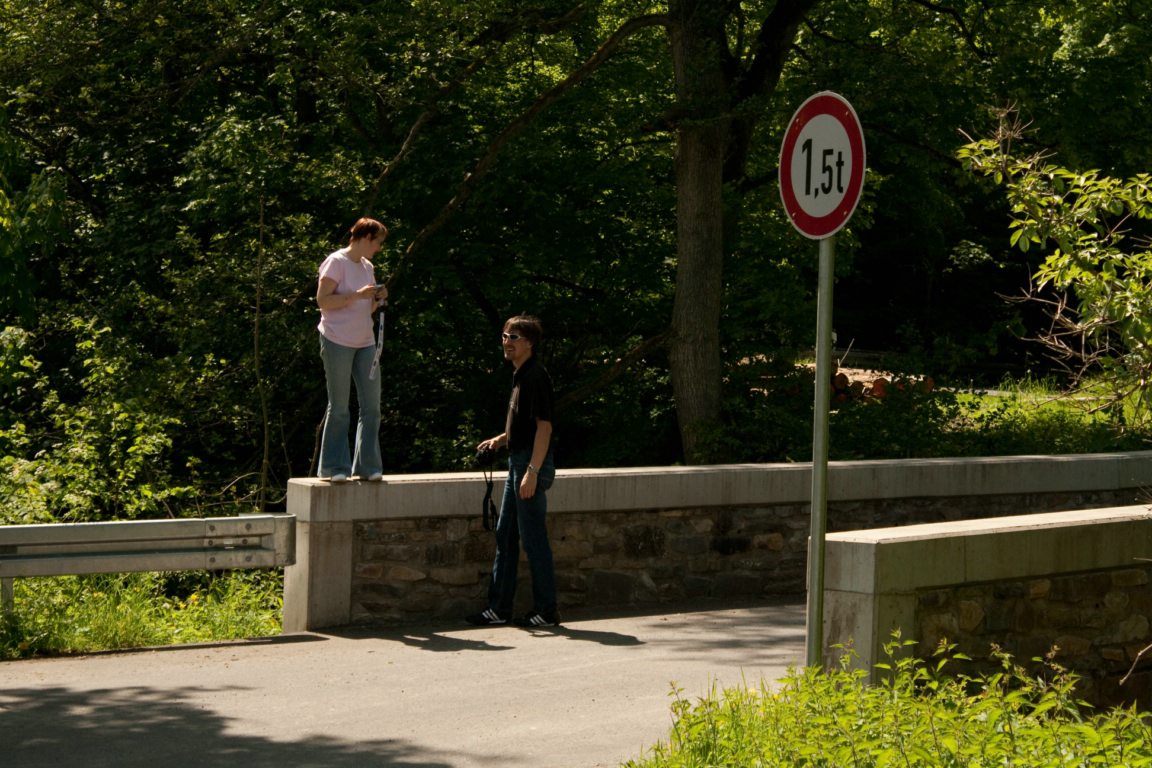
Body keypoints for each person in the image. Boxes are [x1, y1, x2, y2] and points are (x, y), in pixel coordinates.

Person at [467, 315, 559, 628]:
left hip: (529, 464)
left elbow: (544, 428)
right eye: (505, 336)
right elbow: (524, 426)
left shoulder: (535, 377)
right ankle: (499, 609)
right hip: (517, 462)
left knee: (533, 540)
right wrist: (499, 440)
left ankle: (547, 611)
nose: (507, 342)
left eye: (514, 337)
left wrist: (532, 471)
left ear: (529, 343)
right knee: (506, 536)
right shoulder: (521, 375)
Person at [315, 217, 389, 482]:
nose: (379, 248)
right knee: (339, 406)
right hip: (337, 340)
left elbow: (366, 308)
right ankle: (334, 467)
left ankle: (367, 467)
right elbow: (323, 301)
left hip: (365, 342)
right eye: (378, 242)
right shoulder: (336, 262)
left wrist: (377, 298)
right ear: (366, 238)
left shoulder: (368, 266)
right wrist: (357, 295)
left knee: (372, 407)